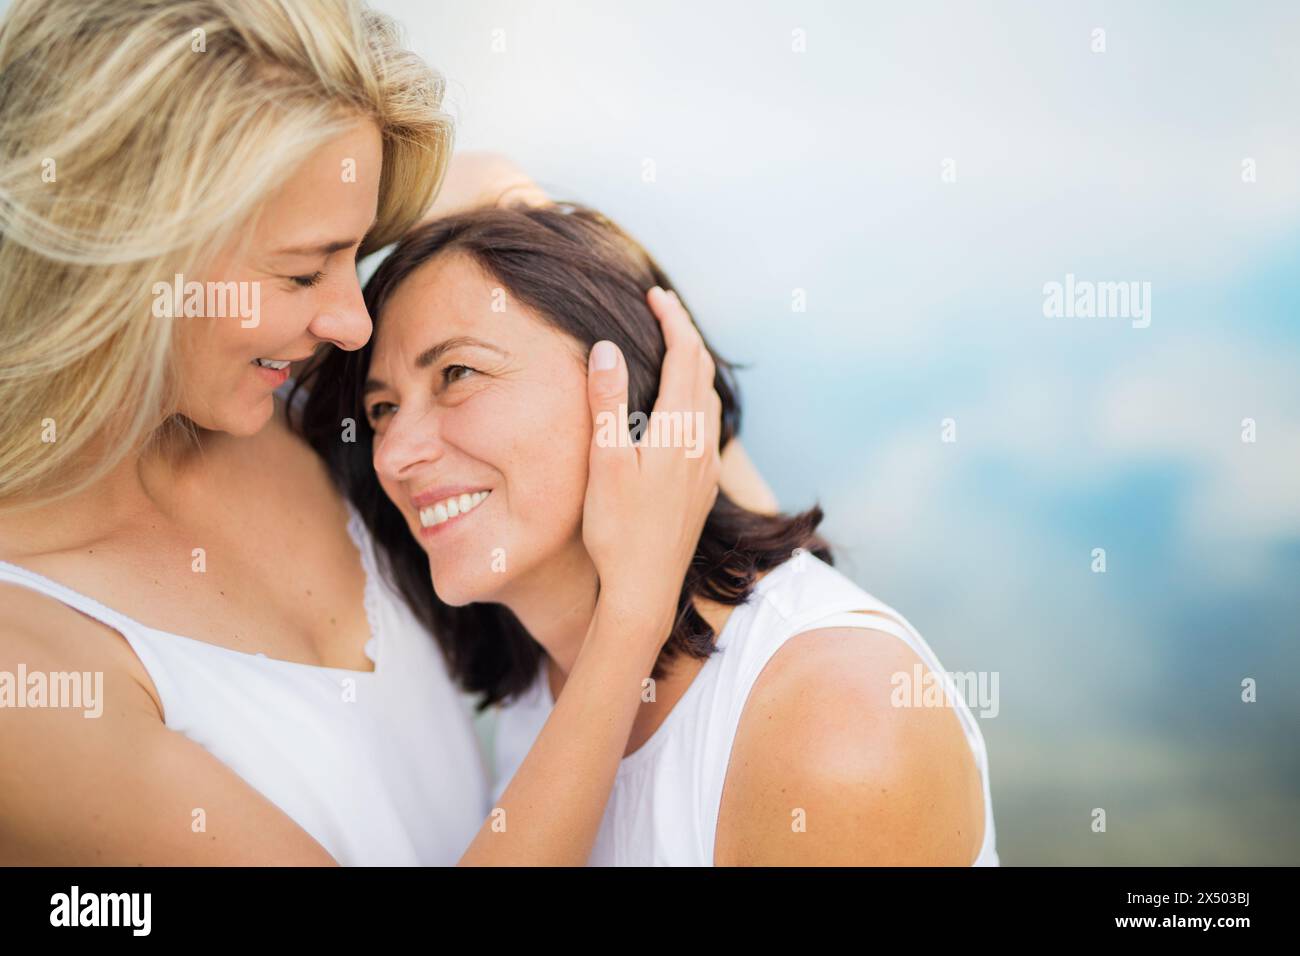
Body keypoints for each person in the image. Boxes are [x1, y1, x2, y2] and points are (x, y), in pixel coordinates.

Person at [0, 0, 767, 865]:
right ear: (122, 254)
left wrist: (764, 582)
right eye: (301, 272)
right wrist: (633, 611)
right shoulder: (27, 675)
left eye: (355, 250)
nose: (353, 322)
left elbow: (493, 185)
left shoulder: (269, 386)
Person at [303, 201, 1000, 865]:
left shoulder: (835, 723)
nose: (393, 454)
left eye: (458, 373)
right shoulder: (542, 681)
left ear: (635, 390)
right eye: (383, 408)